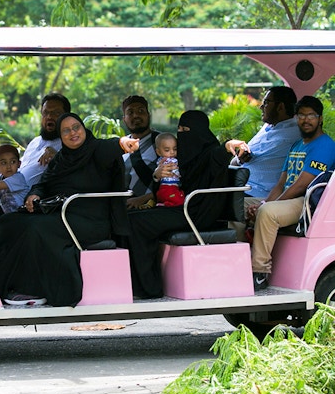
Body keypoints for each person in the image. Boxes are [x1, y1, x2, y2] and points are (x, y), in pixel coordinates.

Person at [0, 113, 140, 307]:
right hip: (62, 215)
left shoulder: (96, 149)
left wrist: (122, 143)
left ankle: (31, 289)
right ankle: (1, 285)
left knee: (33, 227)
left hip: (91, 221)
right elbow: (44, 183)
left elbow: (112, 146)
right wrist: (34, 195)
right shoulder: (61, 158)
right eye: (66, 130)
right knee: (8, 222)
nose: (72, 133)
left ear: (83, 129)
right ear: (61, 136)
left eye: (76, 127)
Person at [127, 110, 244, 299]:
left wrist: (229, 145)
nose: (181, 134)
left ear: (198, 130)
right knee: (131, 218)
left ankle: (150, 289)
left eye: (186, 129)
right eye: (179, 129)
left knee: (137, 224)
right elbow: (168, 185)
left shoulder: (208, 152)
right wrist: (157, 174)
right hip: (181, 207)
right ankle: (138, 284)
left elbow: (220, 153)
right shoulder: (183, 156)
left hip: (197, 213)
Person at [248, 96, 335, 291]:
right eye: (302, 115)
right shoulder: (296, 145)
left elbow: (301, 184)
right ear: (296, 118)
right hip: (289, 198)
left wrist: (267, 206)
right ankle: (238, 265)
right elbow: (281, 183)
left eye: (311, 115)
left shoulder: (325, 145)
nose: (306, 120)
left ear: (320, 119)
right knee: (240, 207)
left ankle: (259, 272)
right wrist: (262, 203)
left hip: (307, 202)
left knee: (268, 212)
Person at [0, 92, 71, 257]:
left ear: (66, 116)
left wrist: (58, 156)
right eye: (46, 113)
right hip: (11, 199)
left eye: (55, 113)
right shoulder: (35, 142)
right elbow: (19, 168)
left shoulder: (66, 146)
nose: (49, 117)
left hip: (34, 207)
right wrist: (3, 171)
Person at [229, 86, 300, 202]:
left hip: (258, 194)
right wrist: (240, 159)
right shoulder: (267, 127)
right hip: (239, 186)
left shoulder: (295, 134)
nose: (261, 107)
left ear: (280, 107)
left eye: (266, 103)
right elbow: (235, 163)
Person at [121, 95, 159, 209]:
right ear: (124, 119)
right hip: (124, 208)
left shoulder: (163, 142)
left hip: (153, 207)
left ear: (148, 115)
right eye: (130, 112)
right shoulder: (121, 145)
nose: (136, 115)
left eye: (141, 111)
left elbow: (174, 182)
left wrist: (143, 199)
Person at [154, 132, 185, 207]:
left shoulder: (160, 161)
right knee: (180, 200)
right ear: (158, 152)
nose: (172, 152)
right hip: (169, 187)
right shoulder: (171, 161)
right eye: (167, 150)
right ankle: (166, 205)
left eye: (175, 149)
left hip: (163, 188)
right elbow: (175, 171)